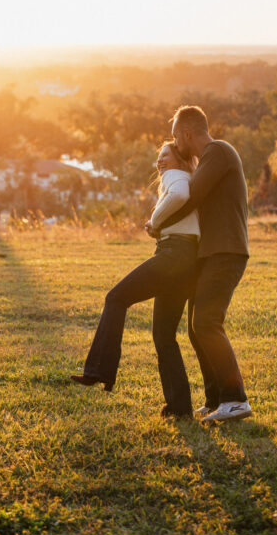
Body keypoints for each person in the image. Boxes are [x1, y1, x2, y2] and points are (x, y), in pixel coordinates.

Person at [70, 141, 199, 417]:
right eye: (158, 157)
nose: (160, 161)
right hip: (187, 260)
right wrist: (160, 227)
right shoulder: (189, 177)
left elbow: (178, 196)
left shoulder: (175, 176)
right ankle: (180, 408)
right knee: (164, 336)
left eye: (165, 155)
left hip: (173, 255)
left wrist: (155, 221)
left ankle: (97, 371)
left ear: (179, 159)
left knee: (116, 298)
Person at [152, 105, 252, 424]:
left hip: (226, 251)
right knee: (196, 329)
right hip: (209, 254)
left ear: (186, 134)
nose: (174, 143)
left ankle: (236, 399)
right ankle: (215, 401)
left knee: (207, 322)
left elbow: (191, 197)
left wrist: (157, 223)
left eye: (175, 137)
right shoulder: (209, 159)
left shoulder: (218, 151)